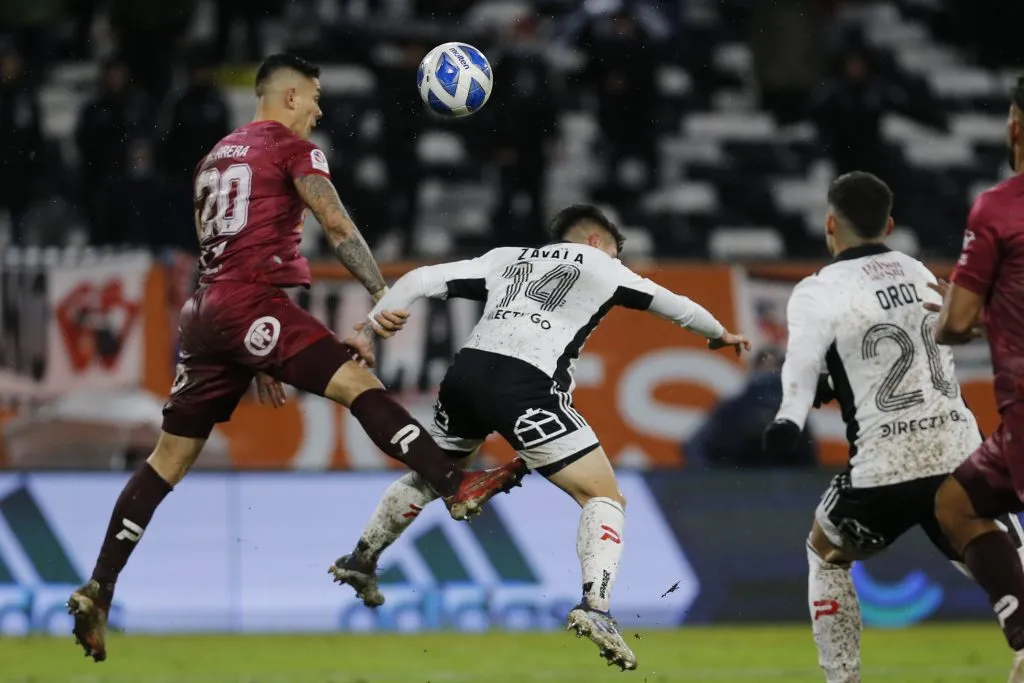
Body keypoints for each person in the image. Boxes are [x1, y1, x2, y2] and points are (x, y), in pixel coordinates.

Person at [66, 54, 527, 663]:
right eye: (312, 96)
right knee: (356, 383)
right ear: (285, 98)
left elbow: (225, 249)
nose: (318, 109)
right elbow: (335, 224)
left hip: (206, 314)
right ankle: (454, 483)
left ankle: (100, 586)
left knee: (168, 459)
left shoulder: (214, 158)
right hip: (250, 301)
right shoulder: (291, 148)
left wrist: (252, 357)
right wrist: (383, 296)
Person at [329, 204, 749, 670]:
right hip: (525, 384)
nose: (618, 258)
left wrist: (372, 326)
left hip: (466, 374)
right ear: (595, 243)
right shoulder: (604, 267)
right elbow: (675, 305)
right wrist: (718, 334)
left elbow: (420, 279)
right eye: (616, 250)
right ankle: (597, 607)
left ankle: (361, 557)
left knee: (431, 476)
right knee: (602, 496)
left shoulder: (507, 257)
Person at [762, 171, 1024, 683]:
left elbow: (802, 367)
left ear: (830, 224)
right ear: (890, 223)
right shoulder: (920, 271)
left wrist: (788, 419)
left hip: (885, 469)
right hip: (958, 455)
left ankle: (844, 679)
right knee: (998, 552)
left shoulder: (818, 290)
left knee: (827, 553)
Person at [930, 75, 1024, 682]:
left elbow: (954, 326)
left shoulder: (999, 207)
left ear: (1014, 125)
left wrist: (960, 305)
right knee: (957, 500)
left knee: (955, 509)